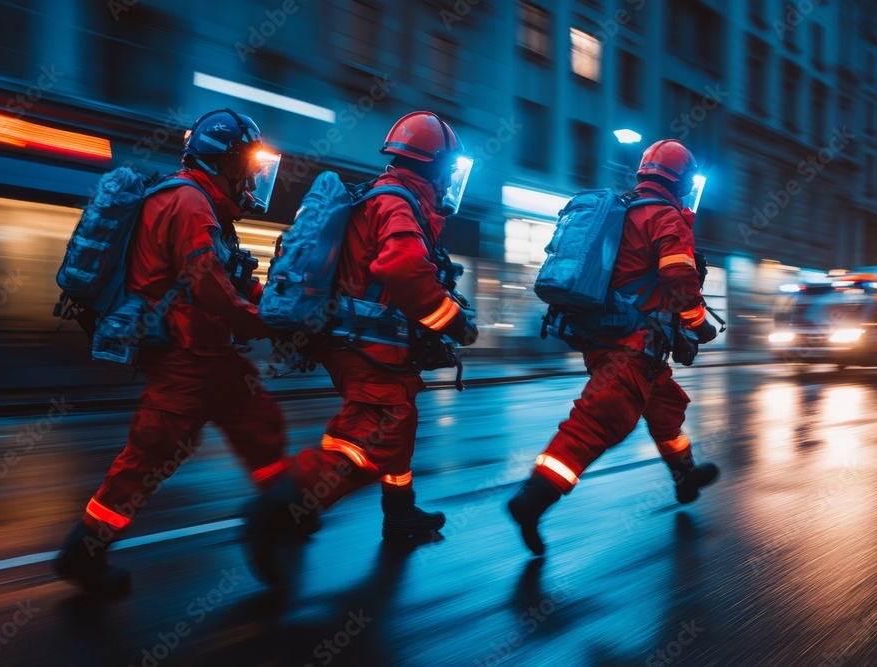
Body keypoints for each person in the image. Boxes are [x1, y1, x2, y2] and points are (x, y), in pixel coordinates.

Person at [54, 108, 290, 593]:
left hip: (208, 356)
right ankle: (84, 551)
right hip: (186, 358)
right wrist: (262, 321)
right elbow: (207, 287)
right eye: (247, 164)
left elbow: (224, 280)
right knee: (149, 457)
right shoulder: (189, 202)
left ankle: (286, 510)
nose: (252, 177)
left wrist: (268, 299)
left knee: (260, 425)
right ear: (223, 160)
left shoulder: (202, 202)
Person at [246, 111, 478, 583]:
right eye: (449, 167)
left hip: (369, 344)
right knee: (367, 441)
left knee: (399, 424)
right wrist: (455, 322)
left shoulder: (390, 195)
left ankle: (401, 516)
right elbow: (402, 270)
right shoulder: (398, 201)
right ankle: (279, 511)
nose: (451, 177)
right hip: (371, 346)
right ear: (433, 163)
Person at [507, 138, 720, 557]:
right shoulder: (666, 217)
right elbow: (678, 280)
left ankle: (685, 476)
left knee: (666, 407)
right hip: (632, 346)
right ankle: (533, 499)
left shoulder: (626, 211)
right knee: (601, 421)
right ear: (680, 182)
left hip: (611, 338)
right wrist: (699, 325)